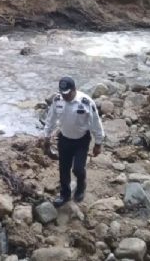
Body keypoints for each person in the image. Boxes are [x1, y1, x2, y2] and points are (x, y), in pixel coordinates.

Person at [43, 77, 105, 205]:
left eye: (67, 94)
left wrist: (98, 143)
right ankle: (64, 195)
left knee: (78, 168)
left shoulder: (86, 102)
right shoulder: (57, 100)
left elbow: (95, 123)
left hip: (81, 140)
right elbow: (51, 120)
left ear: (74, 89)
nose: (64, 96)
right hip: (64, 139)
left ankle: (81, 185)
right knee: (63, 169)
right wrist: (46, 138)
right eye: (62, 93)